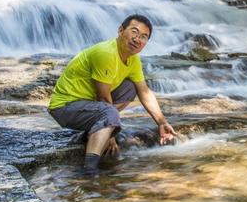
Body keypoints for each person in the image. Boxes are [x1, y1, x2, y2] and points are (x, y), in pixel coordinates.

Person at [48, 14, 177, 174]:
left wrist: (162, 123)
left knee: (131, 87)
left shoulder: (133, 60)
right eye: (134, 32)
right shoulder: (106, 53)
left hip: (88, 105)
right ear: (121, 30)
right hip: (65, 107)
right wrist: (110, 135)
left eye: (144, 37)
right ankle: (89, 169)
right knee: (109, 113)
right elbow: (103, 99)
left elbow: (144, 91)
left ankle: (97, 129)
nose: (137, 39)